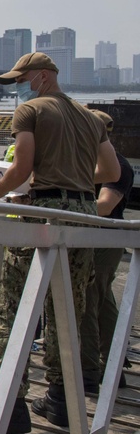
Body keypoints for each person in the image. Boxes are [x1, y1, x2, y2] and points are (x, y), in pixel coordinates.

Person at [0, 52, 119, 434]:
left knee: (11, 308)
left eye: (26, 79)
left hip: (44, 209)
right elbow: (110, 171)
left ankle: (10, 404)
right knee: (67, 306)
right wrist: (75, 175)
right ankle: (61, 400)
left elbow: (22, 166)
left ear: (44, 76)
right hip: (83, 213)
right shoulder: (91, 117)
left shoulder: (31, 112)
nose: (22, 87)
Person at [80, 109, 135, 393]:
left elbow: (104, 206)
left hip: (103, 240)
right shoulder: (91, 162)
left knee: (89, 300)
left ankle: (88, 370)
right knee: (103, 302)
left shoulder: (118, 166)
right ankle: (114, 365)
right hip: (96, 239)